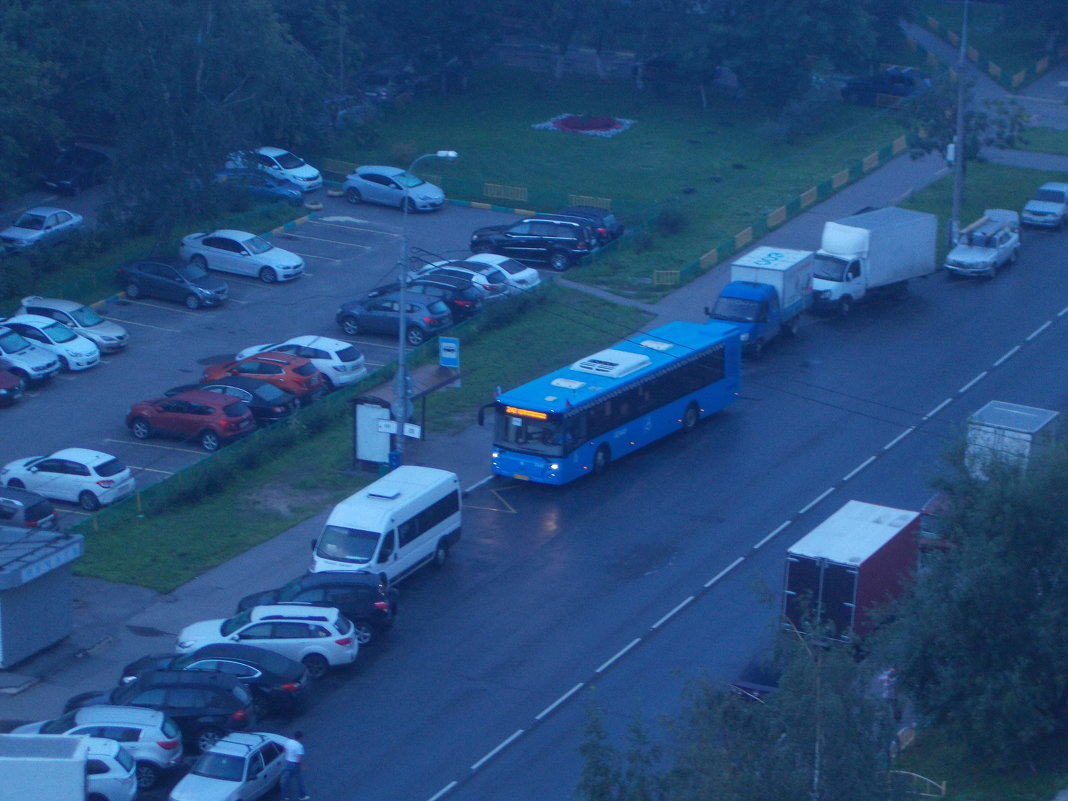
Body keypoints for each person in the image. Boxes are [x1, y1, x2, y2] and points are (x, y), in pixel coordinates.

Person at [281, 730, 310, 801]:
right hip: (294, 765)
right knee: (299, 780)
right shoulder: (299, 746)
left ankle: (284, 797)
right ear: (300, 738)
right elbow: (298, 759)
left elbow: (284, 751)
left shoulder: (288, 742)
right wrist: (303, 766)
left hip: (287, 762)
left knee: (286, 781)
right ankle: (302, 796)